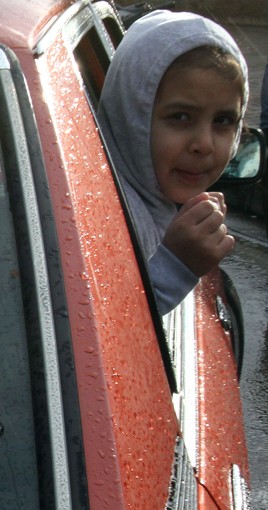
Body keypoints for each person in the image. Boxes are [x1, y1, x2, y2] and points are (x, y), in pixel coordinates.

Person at [98, 10, 248, 315]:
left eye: (223, 121)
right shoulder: (102, 217)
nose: (204, 144)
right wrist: (176, 266)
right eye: (180, 117)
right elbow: (101, 329)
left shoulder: (152, 199)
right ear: (131, 116)